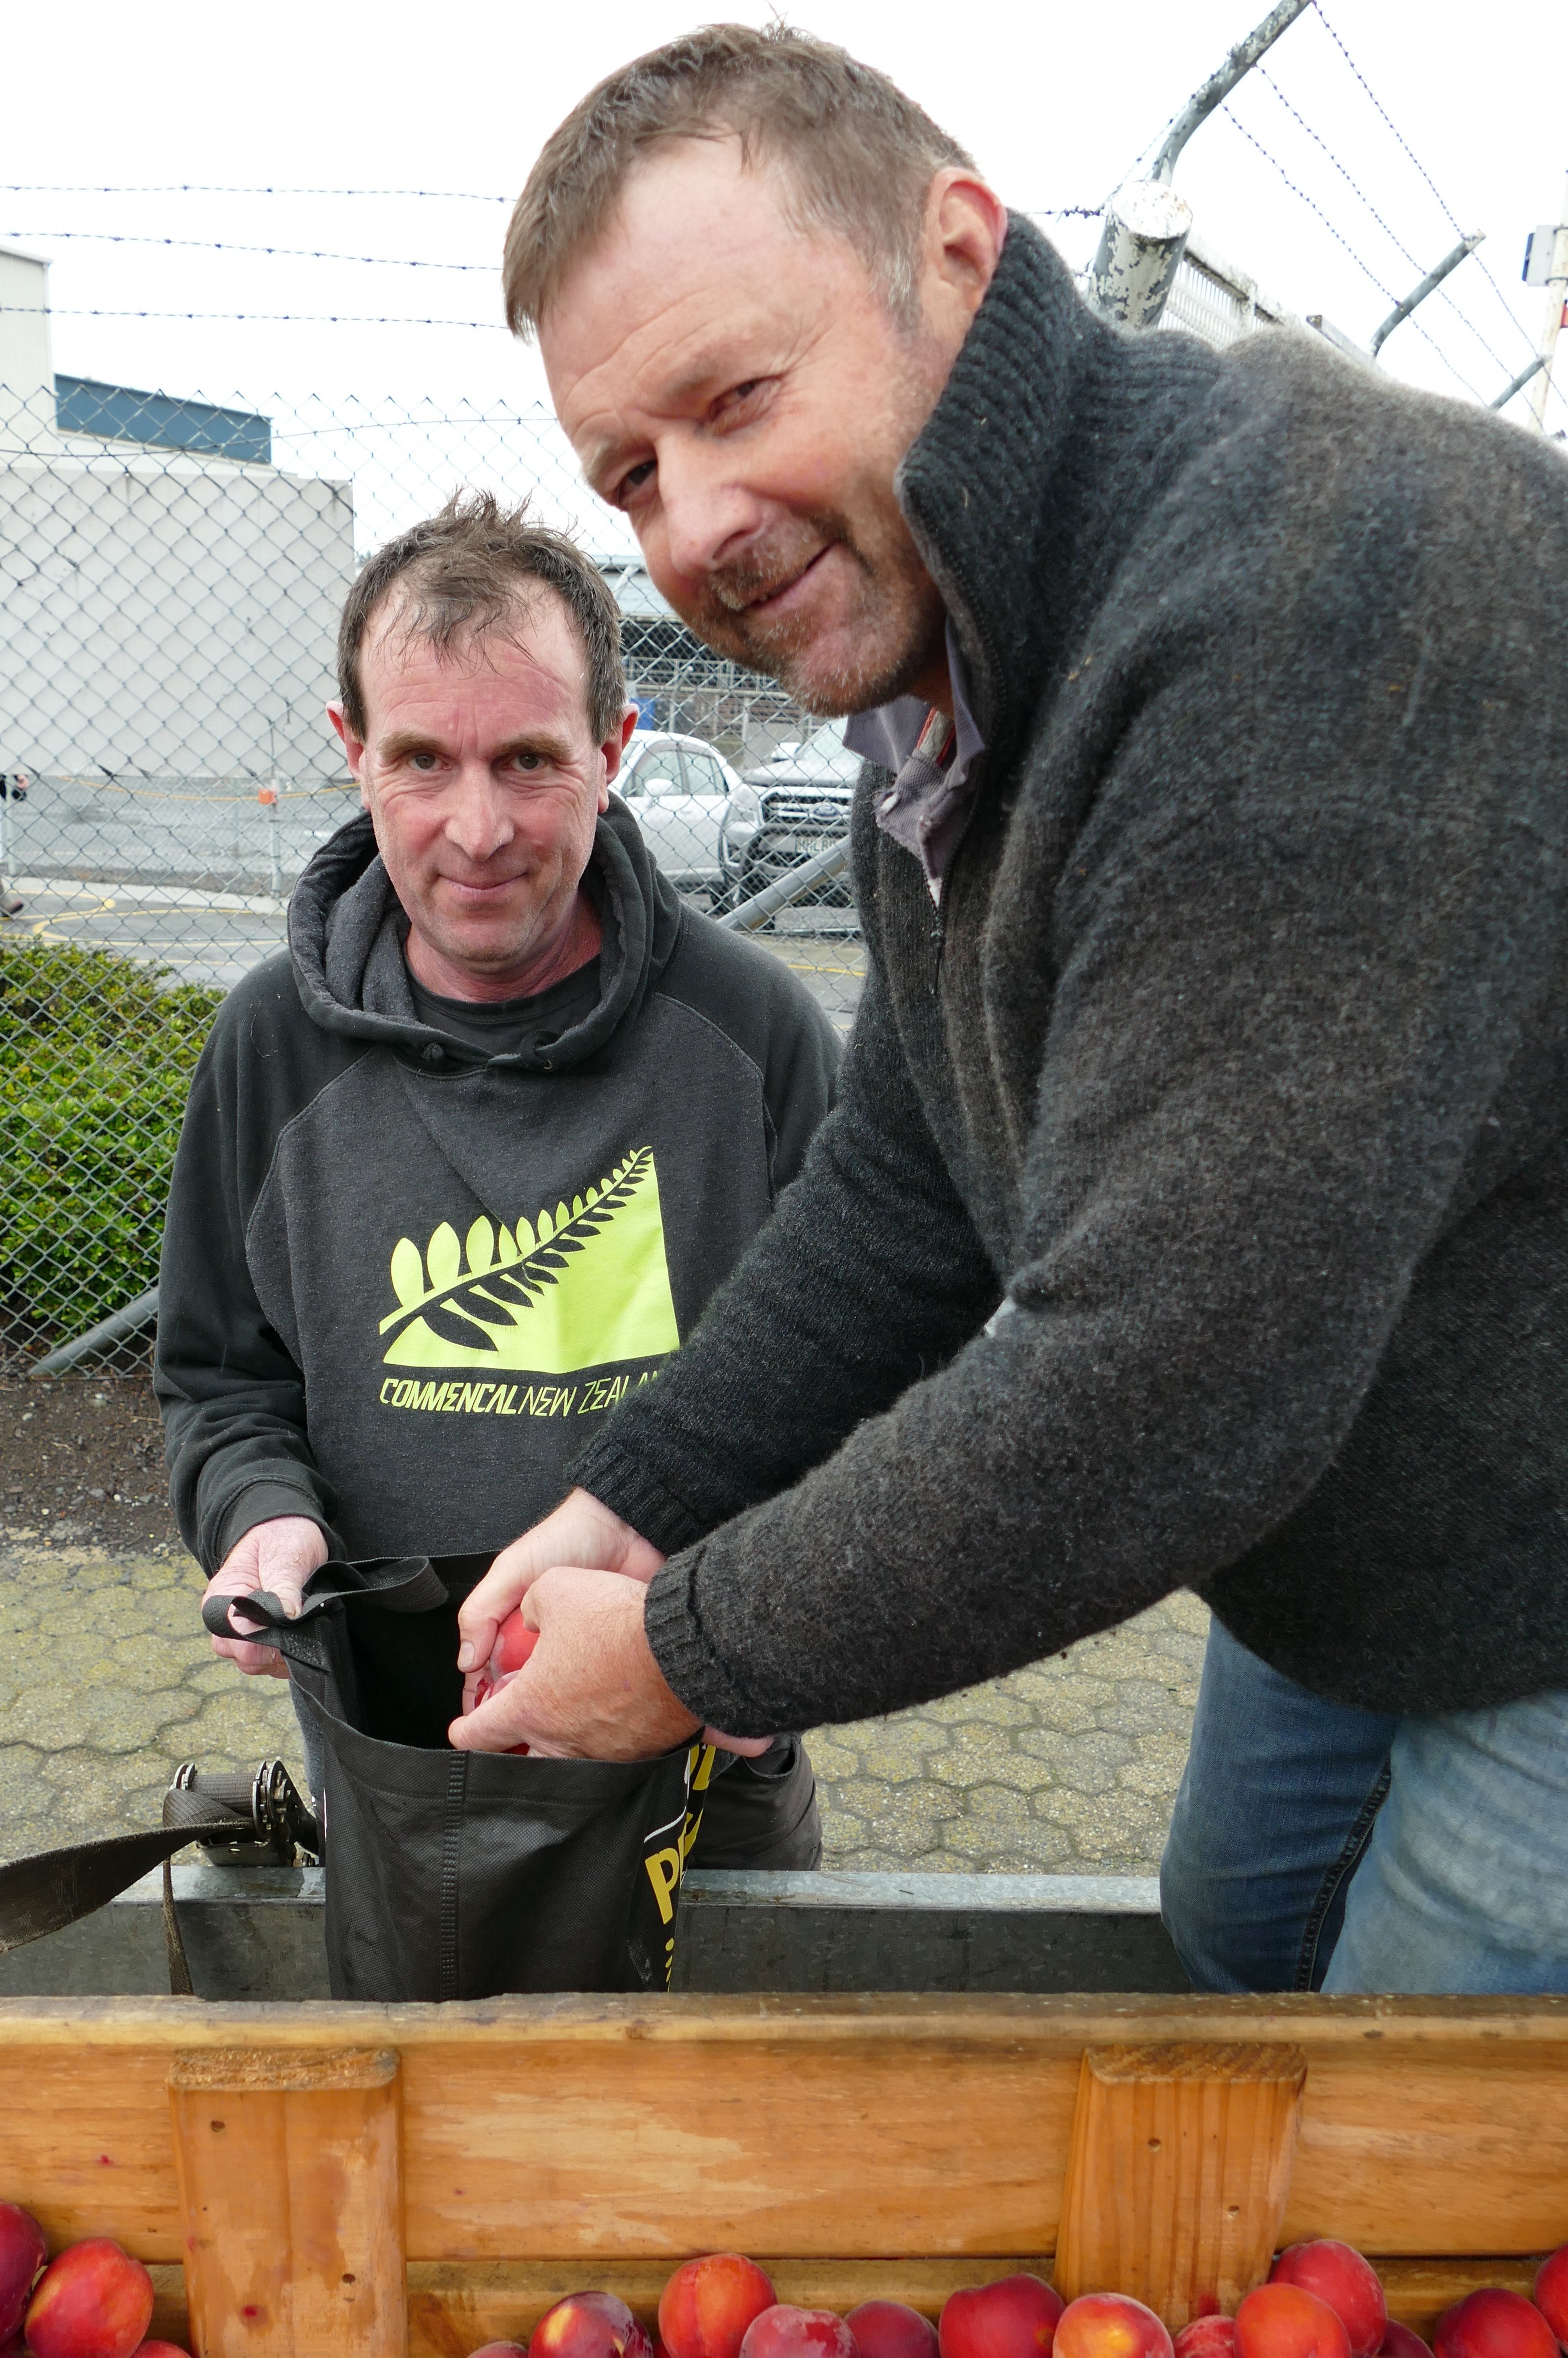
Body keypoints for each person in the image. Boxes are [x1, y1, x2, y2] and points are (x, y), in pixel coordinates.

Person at [447, 26, 1568, 1996]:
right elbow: (914, 1156)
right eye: (629, 472)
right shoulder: (950, 642)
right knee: (1233, 1956)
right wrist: (637, 1501)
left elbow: (1166, 1371)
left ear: (949, 249)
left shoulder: (1311, 592)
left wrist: (691, 1647)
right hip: (1364, 1544)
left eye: (737, 395)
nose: (690, 524)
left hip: (1538, 1564)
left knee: (1402, 2167)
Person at [156, 490, 838, 1871]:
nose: (476, 832)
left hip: (695, 1742)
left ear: (614, 749)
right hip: (394, 1752)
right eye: (422, 761)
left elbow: (848, 1391)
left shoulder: (757, 1038)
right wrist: (264, 1519)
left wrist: (745, 1651)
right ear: (354, 755)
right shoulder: (269, 1047)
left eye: (529, 761)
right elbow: (224, 1382)